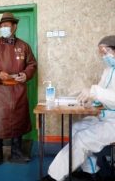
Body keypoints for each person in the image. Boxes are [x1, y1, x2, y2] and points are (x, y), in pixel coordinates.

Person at [42, 35, 115, 181]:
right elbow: (99, 96)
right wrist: (87, 98)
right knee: (75, 127)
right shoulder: (108, 70)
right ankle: (91, 171)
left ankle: (54, 176)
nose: (104, 56)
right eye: (102, 53)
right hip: (105, 118)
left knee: (82, 138)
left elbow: (104, 94)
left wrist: (93, 91)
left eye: (106, 52)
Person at [0, 12, 37, 166]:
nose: (4, 28)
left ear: (14, 26)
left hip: (18, 89)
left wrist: (26, 74)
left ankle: (16, 152)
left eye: (7, 26)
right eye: (2, 26)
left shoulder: (24, 46)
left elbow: (32, 64)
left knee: (18, 121)